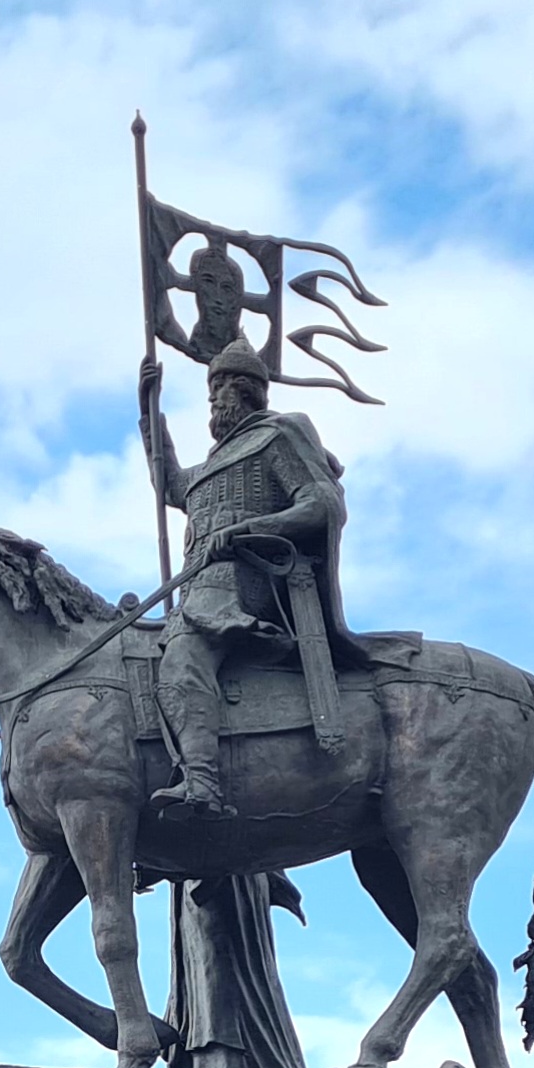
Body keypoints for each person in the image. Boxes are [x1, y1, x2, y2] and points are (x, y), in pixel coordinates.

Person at [135, 334, 371, 819]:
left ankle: (202, 783)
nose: (212, 401)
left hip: (250, 584)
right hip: (199, 591)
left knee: (182, 663)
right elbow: (173, 486)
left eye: (218, 390)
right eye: (210, 391)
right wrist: (150, 416)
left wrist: (250, 530)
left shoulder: (278, 435)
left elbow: (323, 504)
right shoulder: (213, 463)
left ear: (244, 389)